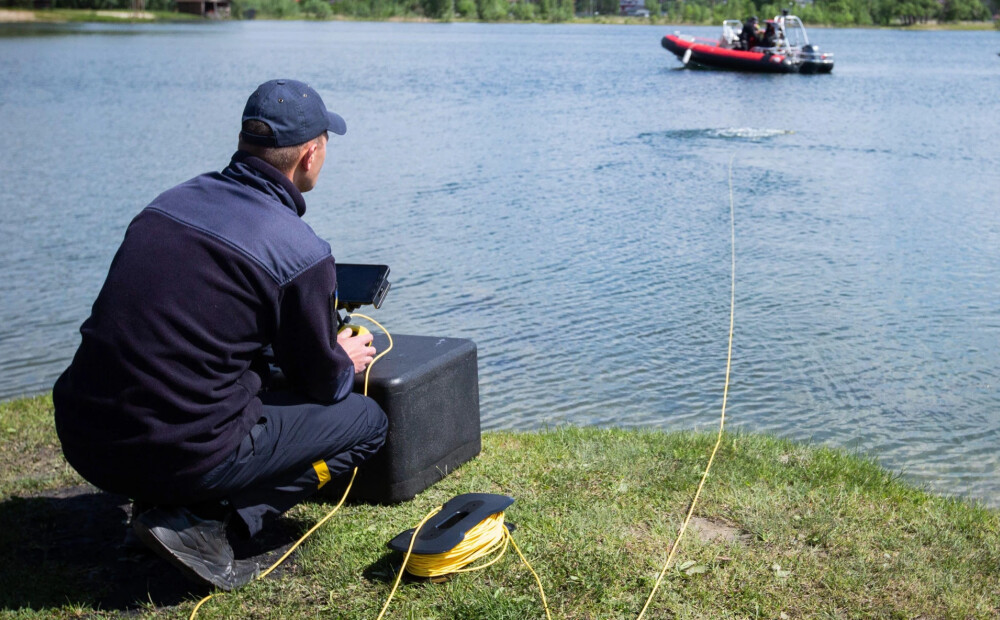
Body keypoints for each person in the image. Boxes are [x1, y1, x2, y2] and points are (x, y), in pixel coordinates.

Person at [52, 79, 389, 591]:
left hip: (83, 434)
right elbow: (322, 385)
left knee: (233, 383)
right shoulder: (300, 250)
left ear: (244, 142)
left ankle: (165, 505)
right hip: (176, 450)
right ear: (310, 155)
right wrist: (340, 356)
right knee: (366, 421)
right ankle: (210, 524)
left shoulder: (167, 204)